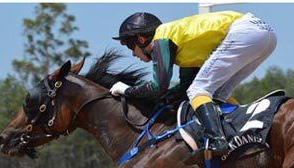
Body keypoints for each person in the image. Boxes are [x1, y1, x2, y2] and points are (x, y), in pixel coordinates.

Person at [110, 10, 277, 160]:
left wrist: (127, 90)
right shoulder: (181, 46)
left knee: (198, 90)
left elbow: (158, 86)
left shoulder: (161, 39)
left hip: (246, 32)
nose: (132, 53)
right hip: (264, 35)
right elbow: (184, 87)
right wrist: (166, 98)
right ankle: (242, 137)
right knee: (215, 95)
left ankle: (217, 142)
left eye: (131, 46)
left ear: (141, 38)